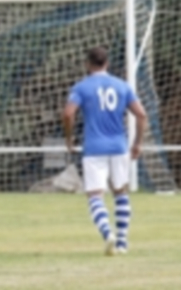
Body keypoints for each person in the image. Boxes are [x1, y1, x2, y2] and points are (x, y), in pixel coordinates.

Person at [62, 47, 147, 256]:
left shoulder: (82, 87)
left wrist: (69, 137)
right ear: (106, 63)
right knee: (121, 192)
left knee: (94, 195)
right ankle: (123, 243)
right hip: (119, 147)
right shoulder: (122, 86)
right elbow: (142, 115)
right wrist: (137, 143)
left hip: (94, 148)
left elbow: (67, 113)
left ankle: (108, 233)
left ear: (87, 64)